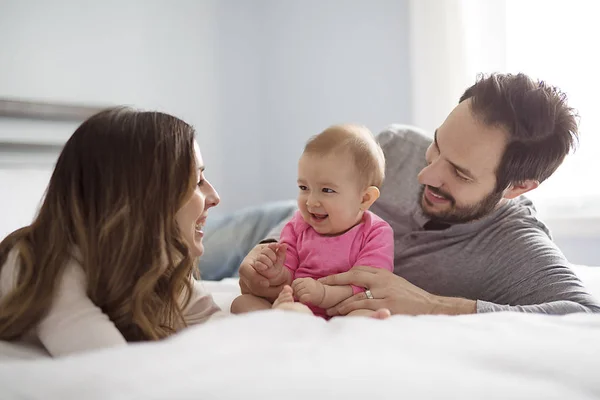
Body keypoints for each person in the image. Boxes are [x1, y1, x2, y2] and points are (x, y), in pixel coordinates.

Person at [235, 73, 600, 315]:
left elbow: (586, 317)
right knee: (181, 225)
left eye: (458, 172)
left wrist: (431, 304)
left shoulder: (516, 246)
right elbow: (301, 216)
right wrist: (267, 255)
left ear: (517, 188)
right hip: (282, 219)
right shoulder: (398, 145)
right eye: (437, 145)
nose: (426, 174)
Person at [0, 107, 225, 357]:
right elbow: (107, 364)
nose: (215, 197)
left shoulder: (153, 263)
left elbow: (223, 333)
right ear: (143, 197)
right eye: (197, 182)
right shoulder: (37, 261)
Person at [230, 124, 394, 319]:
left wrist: (324, 294)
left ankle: (308, 325)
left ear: (364, 198)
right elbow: (287, 269)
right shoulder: (298, 224)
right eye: (304, 187)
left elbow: (370, 284)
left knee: (365, 312)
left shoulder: (376, 233)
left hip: (342, 308)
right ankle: (288, 318)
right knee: (241, 303)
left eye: (327, 190)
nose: (311, 201)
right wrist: (274, 272)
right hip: (297, 302)